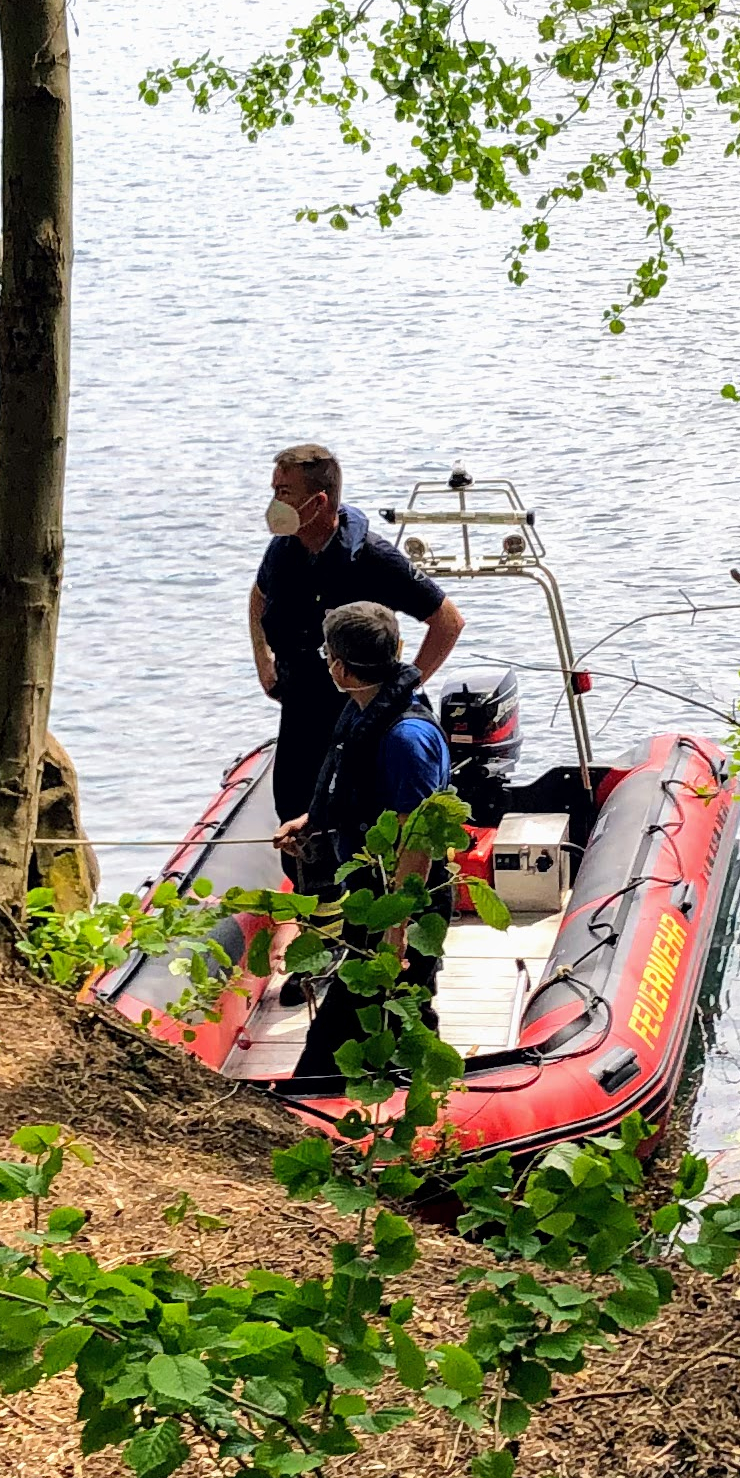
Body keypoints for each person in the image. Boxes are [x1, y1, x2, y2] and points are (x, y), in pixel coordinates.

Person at [271, 602, 454, 1078]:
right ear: (397, 648)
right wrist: (313, 821)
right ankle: (423, 1089)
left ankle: (311, 1097)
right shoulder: (365, 709)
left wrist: (395, 931)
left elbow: (417, 841)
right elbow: (357, 788)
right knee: (402, 1011)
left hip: (407, 900)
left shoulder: (405, 738)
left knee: (356, 1022)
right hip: (373, 894)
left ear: (338, 668)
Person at [251, 442, 462, 822]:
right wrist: (263, 660)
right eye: (274, 492)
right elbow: (259, 595)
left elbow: (447, 622)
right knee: (294, 815)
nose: (274, 503)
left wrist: (401, 690)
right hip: (299, 708)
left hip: (357, 715)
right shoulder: (283, 551)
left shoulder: (373, 559)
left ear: (317, 502)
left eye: (284, 493)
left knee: (355, 820)